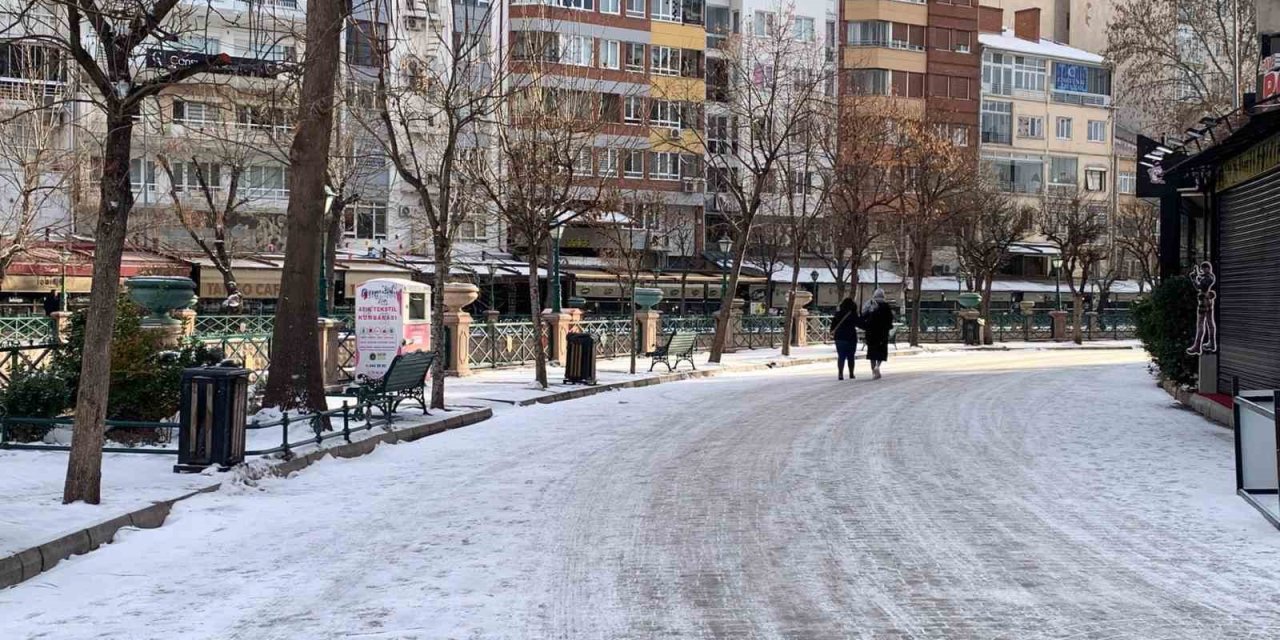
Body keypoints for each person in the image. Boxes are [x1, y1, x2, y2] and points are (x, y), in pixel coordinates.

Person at [861, 288, 894, 380]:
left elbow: (863, 316)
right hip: (882, 333)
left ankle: (873, 369)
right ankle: (878, 366)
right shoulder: (886, 306)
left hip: (871, 333)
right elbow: (890, 319)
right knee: (881, 352)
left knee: (872, 352)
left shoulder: (870, 305)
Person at [830, 298, 861, 380]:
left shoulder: (837, 314)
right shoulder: (853, 314)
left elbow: (832, 327)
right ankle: (851, 373)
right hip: (851, 337)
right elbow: (860, 324)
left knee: (841, 356)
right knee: (851, 356)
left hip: (839, 337)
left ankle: (840, 374)